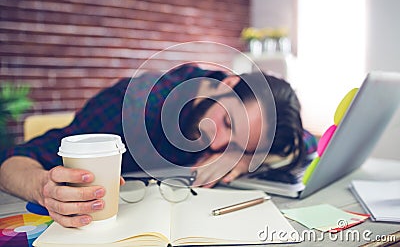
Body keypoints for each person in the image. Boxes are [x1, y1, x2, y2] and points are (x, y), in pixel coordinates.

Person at [0, 63, 316, 228]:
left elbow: (305, 141)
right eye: (228, 122)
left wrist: (245, 159)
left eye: (238, 144)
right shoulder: (135, 106)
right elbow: (15, 160)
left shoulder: (253, 117)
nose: (216, 142)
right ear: (228, 84)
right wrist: (44, 187)